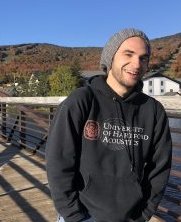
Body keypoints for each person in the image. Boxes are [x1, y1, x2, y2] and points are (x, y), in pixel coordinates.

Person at [45, 28, 172, 222]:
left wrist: (143, 215)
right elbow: (58, 162)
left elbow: (159, 169)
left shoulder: (153, 111)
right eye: (128, 54)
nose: (136, 64)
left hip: (130, 217)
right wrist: (74, 215)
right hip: (82, 215)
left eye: (143, 58)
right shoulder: (81, 101)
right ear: (110, 58)